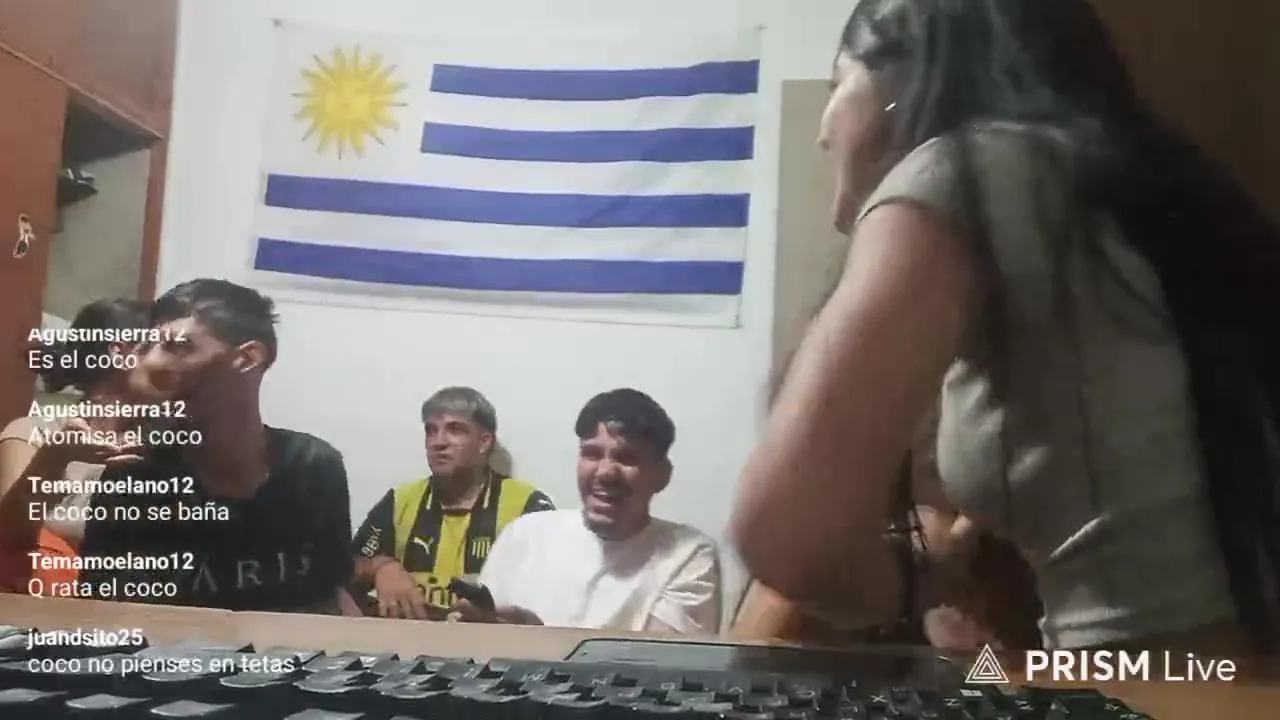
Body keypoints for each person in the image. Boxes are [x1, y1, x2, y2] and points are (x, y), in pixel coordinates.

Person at [731, 0, 1280, 655]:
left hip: (1151, 683)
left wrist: (916, 582)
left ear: (901, 85)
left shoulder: (968, 170)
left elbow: (789, 539)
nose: (824, 132)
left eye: (837, 84)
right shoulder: (1153, 181)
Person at [57, 279, 356, 613]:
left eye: (178, 346)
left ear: (248, 357)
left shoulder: (312, 468)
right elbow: (102, 614)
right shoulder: (136, 474)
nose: (151, 364)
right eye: (149, 347)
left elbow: (327, 596)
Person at [451, 388, 721, 634]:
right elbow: (476, 638)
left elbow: (659, 663)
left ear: (662, 475)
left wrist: (537, 639)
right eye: (592, 454)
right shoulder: (525, 534)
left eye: (627, 458)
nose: (605, 472)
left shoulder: (687, 555)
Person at [349, 386, 554, 619]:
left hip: (493, 639)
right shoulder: (400, 501)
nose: (438, 442)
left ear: (484, 442)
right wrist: (381, 567)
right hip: (410, 638)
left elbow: (554, 591)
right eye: (431, 431)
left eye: (455, 430)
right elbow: (345, 567)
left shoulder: (527, 505)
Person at [0, 299, 151, 592]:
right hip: (49, 606)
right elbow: (9, 535)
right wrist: (55, 457)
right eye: (162, 347)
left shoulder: (171, 443)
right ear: (122, 354)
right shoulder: (33, 433)